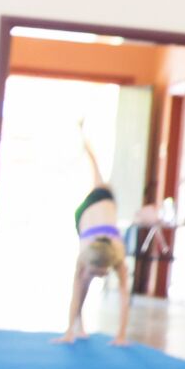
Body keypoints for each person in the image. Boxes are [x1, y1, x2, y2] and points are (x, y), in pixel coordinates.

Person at [53, 129, 132, 346]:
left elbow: (125, 296)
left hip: (98, 218)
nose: (98, 276)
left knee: (97, 174)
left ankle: (80, 327)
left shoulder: (118, 254)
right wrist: (68, 332)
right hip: (86, 215)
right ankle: (77, 326)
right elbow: (74, 290)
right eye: (96, 272)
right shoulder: (84, 253)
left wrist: (121, 335)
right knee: (82, 283)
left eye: (100, 273)